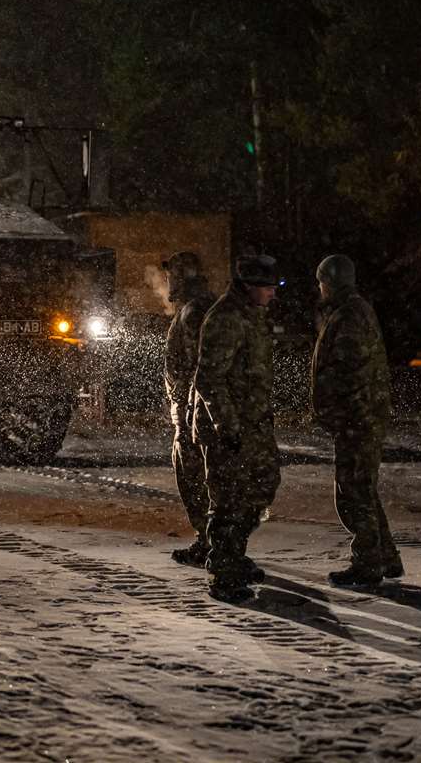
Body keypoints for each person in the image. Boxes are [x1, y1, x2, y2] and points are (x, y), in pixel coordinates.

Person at [311, 254, 403, 587]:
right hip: (361, 416)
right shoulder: (353, 310)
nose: (319, 288)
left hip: (357, 418)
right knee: (363, 489)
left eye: (322, 282)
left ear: (330, 282)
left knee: (353, 493)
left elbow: (345, 373)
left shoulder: (348, 315)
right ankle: (385, 556)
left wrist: (335, 411)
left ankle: (367, 564)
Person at [193, 254, 281, 602]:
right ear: (249, 287)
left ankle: (234, 555)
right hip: (228, 429)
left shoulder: (252, 315)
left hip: (253, 425)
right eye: (268, 288)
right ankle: (224, 572)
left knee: (263, 487)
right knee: (229, 499)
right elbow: (209, 378)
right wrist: (227, 426)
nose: (273, 294)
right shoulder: (226, 318)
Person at [161, 251, 216, 568]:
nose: (168, 282)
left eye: (172, 276)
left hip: (192, 413)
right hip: (190, 410)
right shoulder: (194, 308)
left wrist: (190, 410)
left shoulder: (194, 311)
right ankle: (210, 538)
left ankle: (209, 540)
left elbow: (200, 367)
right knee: (197, 475)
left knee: (195, 476)